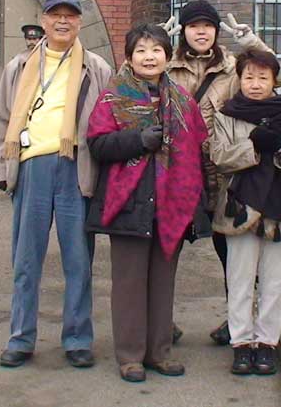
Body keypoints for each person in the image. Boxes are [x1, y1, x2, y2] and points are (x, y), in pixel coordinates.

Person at [0, 0, 112, 368]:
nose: (62, 21)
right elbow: (1, 117)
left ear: (79, 22)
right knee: (26, 260)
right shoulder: (20, 66)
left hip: (76, 166)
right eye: (55, 15)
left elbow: (109, 119)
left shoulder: (96, 67)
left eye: (70, 16)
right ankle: (21, 337)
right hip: (32, 167)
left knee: (78, 260)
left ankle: (77, 338)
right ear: (43, 21)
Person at [86, 24, 207, 382]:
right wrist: (138, 140)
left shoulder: (183, 101)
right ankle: (130, 356)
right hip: (128, 203)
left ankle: (160, 352)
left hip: (171, 205)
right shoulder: (113, 97)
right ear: (129, 57)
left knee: (163, 283)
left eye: (156, 50)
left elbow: (196, 153)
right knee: (129, 283)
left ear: (167, 56)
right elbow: (98, 144)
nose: (149, 57)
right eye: (141, 50)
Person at [166, 0, 281, 346]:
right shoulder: (167, 66)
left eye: (208, 25)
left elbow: (277, 76)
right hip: (177, 171)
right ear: (184, 31)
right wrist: (155, 39)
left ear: (217, 31)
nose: (201, 32)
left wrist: (253, 44)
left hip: (222, 170)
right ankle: (160, 321)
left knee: (230, 248)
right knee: (167, 247)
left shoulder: (233, 67)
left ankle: (238, 322)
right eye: (193, 25)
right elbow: (131, 81)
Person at [210, 49, 281, 375]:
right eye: (249, 77)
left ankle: (267, 343)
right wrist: (254, 146)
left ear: (274, 80)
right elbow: (220, 156)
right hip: (240, 208)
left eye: (262, 77)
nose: (255, 84)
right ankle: (241, 344)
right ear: (239, 79)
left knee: (274, 282)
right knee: (240, 280)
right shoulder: (227, 115)